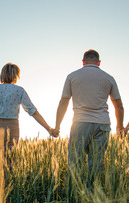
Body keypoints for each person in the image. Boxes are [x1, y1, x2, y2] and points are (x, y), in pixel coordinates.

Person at [53, 49, 124, 177]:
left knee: (75, 162)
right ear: (99, 62)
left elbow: (64, 102)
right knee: (96, 165)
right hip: (102, 124)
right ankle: (91, 195)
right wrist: (120, 127)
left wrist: (57, 126)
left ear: (83, 61)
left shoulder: (72, 76)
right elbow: (119, 106)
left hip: (80, 123)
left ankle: (74, 194)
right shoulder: (109, 78)